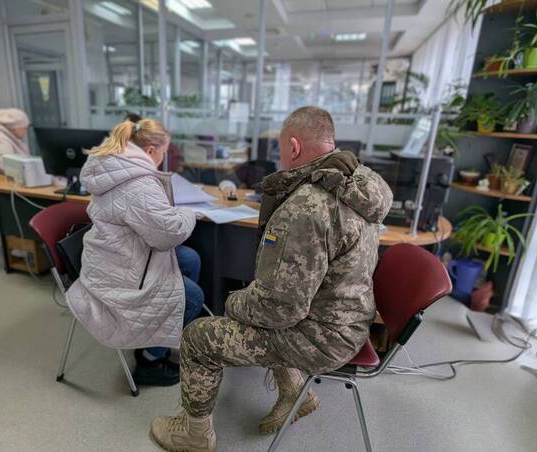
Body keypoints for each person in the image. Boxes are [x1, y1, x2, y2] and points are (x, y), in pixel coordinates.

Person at [149, 106, 393, 451]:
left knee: (198, 337)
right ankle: (297, 394)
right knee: (262, 303)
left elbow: (280, 309)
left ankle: (194, 434)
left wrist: (234, 302)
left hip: (321, 337)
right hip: (348, 320)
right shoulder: (355, 182)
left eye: (281, 149)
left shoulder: (306, 208)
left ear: (293, 147)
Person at [65, 118, 204, 387]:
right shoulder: (137, 183)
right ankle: (150, 360)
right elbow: (168, 235)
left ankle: (158, 333)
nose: (165, 158)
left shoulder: (115, 167)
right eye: (164, 152)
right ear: (151, 150)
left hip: (112, 256)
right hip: (118, 272)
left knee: (190, 258)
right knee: (194, 297)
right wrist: (188, 213)